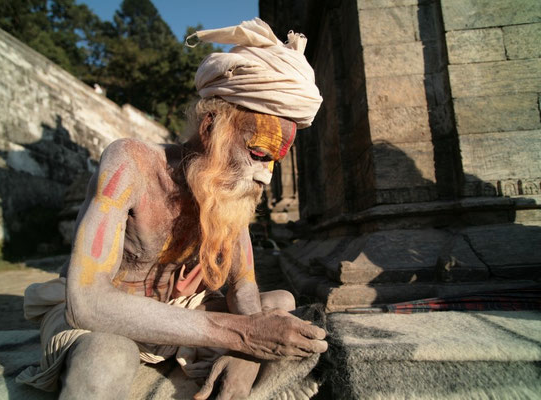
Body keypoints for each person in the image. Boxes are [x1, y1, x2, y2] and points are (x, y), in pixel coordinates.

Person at [17, 18, 325, 400]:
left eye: (273, 163)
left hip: (176, 311)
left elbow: (243, 290)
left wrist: (245, 354)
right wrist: (241, 335)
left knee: (281, 305)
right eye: (258, 154)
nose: (265, 177)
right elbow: (87, 303)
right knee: (108, 356)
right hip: (105, 316)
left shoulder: (228, 192)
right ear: (211, 128)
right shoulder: (131, 163)